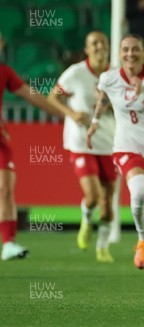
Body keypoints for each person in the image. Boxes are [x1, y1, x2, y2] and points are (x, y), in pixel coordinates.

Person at [86, 33, 144, 278]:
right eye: (125, 50)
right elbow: (102, 97)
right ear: (119, 54)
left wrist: (142, 97)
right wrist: (95, 121)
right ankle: (143, 239)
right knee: (138, 192)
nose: (130, 54)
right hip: (128, 147)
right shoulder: (109, 78)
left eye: (135, 49)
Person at [47, 31, 117, 262]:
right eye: (93, 43)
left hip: (109, 143)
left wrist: (108, 105)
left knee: (108, 203)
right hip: (81, 143)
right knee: (94, 196)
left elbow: (126, 107)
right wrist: (72, 113)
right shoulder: (75, 73)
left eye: (102, 43)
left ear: (108, 47)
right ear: (86, 49)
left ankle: (103, 247)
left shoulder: (116, 75)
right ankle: (87, 220)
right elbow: (52, 98)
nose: (99, 47)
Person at [0, 31, 64, 260]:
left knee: (5, 188)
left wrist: (64, 114)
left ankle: (8, 243)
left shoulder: (4, 72)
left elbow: (32, 96)